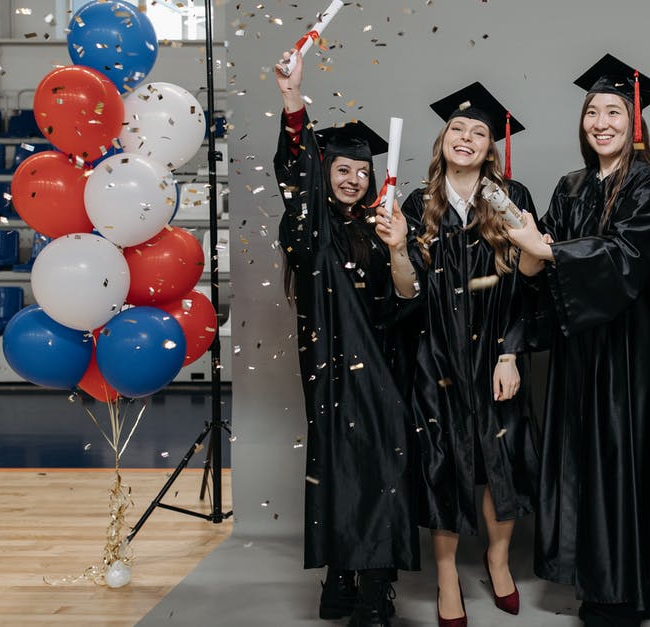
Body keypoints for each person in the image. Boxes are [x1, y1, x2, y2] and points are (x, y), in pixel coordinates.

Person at [504, 53, 650, 627]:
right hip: (581, 351)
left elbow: (627, 260)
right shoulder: (570, 186)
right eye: (592, 112)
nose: (601, 122)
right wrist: (526, 248)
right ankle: (604, 587)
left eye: (614, 112)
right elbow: (542, 266)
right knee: (582, 465)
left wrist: (547, 249)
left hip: (628, 354)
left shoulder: (649, 186)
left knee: (619, 467)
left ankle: (618, 596)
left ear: (635, 122)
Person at [374, 82, 539, 627]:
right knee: (443, 464)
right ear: (443, 138)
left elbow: (526, 286)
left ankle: (497, 558)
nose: (465, 137)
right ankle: (446, 575)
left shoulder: (509, 198)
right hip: (435, 360)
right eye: (457, 129)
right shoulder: (418, 205)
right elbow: (406, 295)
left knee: (501, 463)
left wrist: (512, 354)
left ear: (491, 147)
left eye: (479, 132)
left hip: (496, 355)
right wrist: (398, 248)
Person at [273, 48, 419, 627]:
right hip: (329, 366)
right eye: (342, 168)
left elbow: (409, 299)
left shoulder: (385, 222)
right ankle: (340, 575)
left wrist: (398, 247)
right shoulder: (307, 226)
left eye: (363, 170)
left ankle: (375, 590)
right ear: (324, 171)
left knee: (381, 470)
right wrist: (292, 98)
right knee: (337, 466)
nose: (354, 177)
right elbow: (296, 173)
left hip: (382, 367)